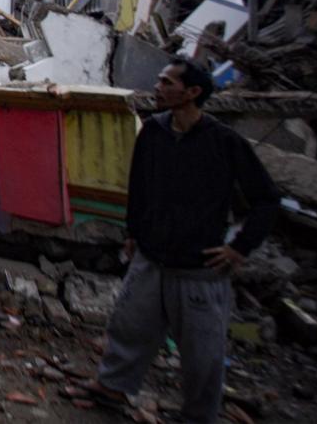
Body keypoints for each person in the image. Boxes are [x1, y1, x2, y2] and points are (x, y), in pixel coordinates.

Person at [88, 57, 280, 423]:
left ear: (191, 93)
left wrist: (239, 248)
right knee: (129, 325)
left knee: (202, 349)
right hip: (152, 253)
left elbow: (266, 199)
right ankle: (113, 386)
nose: (158, 87)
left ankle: (198, 415)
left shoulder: (223, 141)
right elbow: (140, 185)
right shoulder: (155, 131)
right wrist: (133, 231)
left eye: (167, 82)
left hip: (198, 265)